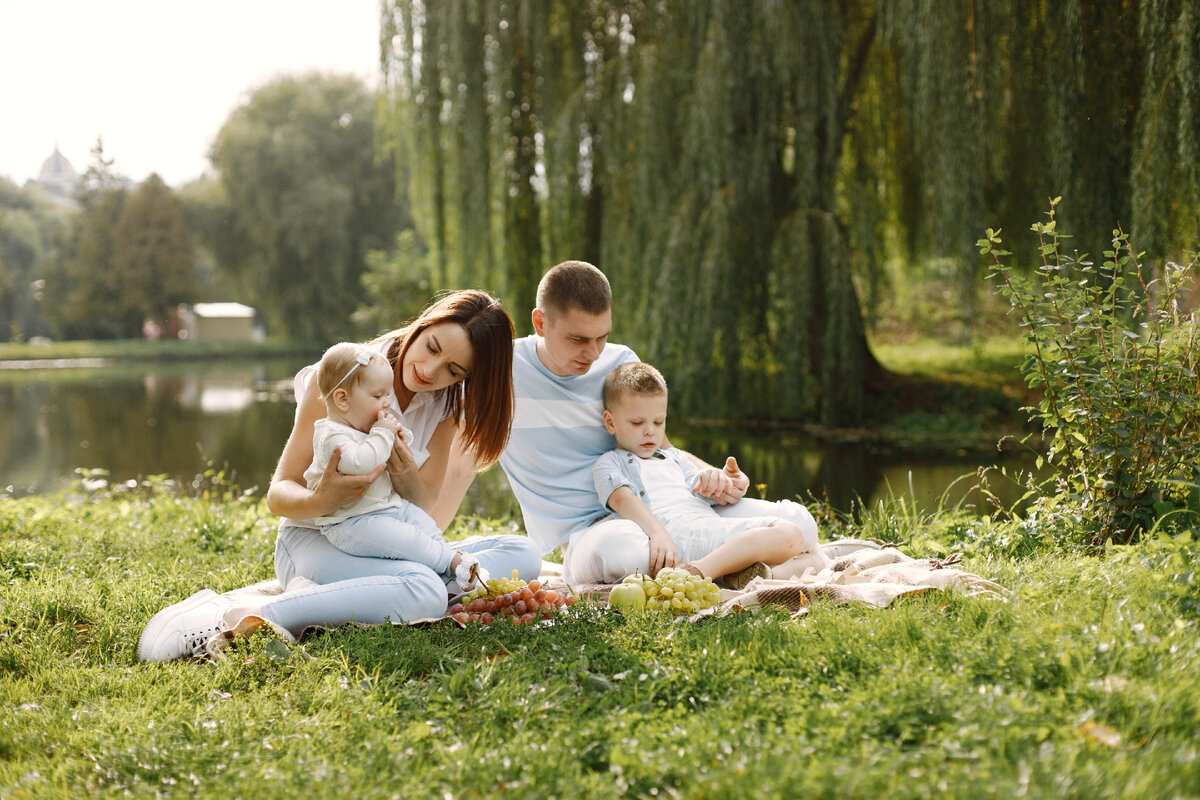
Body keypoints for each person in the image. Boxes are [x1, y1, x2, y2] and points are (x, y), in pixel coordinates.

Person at [137, 290, 543, 662]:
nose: (429, 370)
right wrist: (322, 499)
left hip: (382, 537)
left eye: (453, 370)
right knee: (425, 590)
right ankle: (244, 613)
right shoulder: (343, 375)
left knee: (523, 554)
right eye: (431, 347)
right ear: (424, 325)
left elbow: (424, 504)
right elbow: (279, 494)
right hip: (312, 538)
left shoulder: (446, 405)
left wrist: (402, 470)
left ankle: (383, 589)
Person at [439, 260, 826, 585]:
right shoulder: (500, 370)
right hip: (593, 531)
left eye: (601, 337)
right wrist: (427, 544)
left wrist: (718, 479)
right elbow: (458, 466)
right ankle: (750, 567)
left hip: (667, 505)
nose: (592, 353)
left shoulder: (620, 361)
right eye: (578, 339)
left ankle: (723, 568)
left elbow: (660, 449)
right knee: (626, 554)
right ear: (540, 322)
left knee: (799, 522)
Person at [594, 362, 827, 587]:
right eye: (637, 423)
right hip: (681, 539)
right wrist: (657, 534)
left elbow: (701, 487)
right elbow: (623, 500)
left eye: (658, 422)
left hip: (713, 530)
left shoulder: (674, 458)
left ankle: (738, 577)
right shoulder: (609, 464)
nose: (650, 431)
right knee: (791, 536)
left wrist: (718, 481)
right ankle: (698, 572)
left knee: (811, 558)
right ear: (610, 422)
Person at [303, 341, 484, 588]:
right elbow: (359, 462)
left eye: (387, 395)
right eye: (378, 396)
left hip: (386, 509)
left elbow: (390, 450)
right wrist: (383, 435)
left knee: (423, 525)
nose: (386, 403)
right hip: (352, 523)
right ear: (343, 400)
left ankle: (449, 567)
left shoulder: (364, 427)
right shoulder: (332, 435)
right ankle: (451, 563)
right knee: (406, 539)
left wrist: (398, 436)